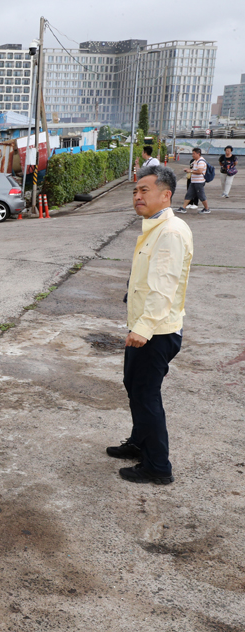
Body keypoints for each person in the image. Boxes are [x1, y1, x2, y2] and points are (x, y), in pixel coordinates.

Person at [106, 165, 193, 485]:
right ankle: (139, 443)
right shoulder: (155, 227)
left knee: (145, 395)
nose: (137, 195)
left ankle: (158, 466)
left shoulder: (170, 232)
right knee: (136, 387)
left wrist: (143, 328)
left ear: (166, 194)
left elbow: (163, 286)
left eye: (144, 190)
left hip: (156, 332)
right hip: (147, 327)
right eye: (135, 191)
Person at [176, 148, 209, 214]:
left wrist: (190, 171)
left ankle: (207, 208)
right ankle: (183, 208)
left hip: (199, 182)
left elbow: (200, 171)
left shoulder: (201, 161)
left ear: (198, 154)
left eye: (193, 153)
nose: (192, 155)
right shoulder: (196, 161)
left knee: (201, 196)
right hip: (194, 181)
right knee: (189, 194)